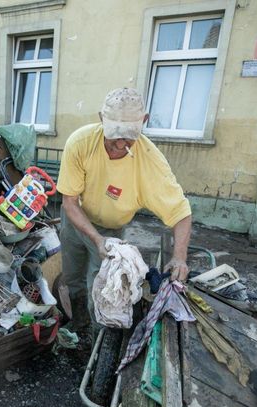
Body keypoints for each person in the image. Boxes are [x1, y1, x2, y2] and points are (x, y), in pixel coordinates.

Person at [56, 87, 192, 335]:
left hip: (111, 231)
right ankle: (78, 322)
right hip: (75, 221)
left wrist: (180, 256)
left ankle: (97, 344)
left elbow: (181, 212)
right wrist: (95, 239)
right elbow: (69, 202)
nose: (120, 143)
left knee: (102, 288)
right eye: (114, 135)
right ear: (101, 119)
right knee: (72, 276)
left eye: (128, 136)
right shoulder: (80, 143)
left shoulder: (150, 161)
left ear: (144, 122)